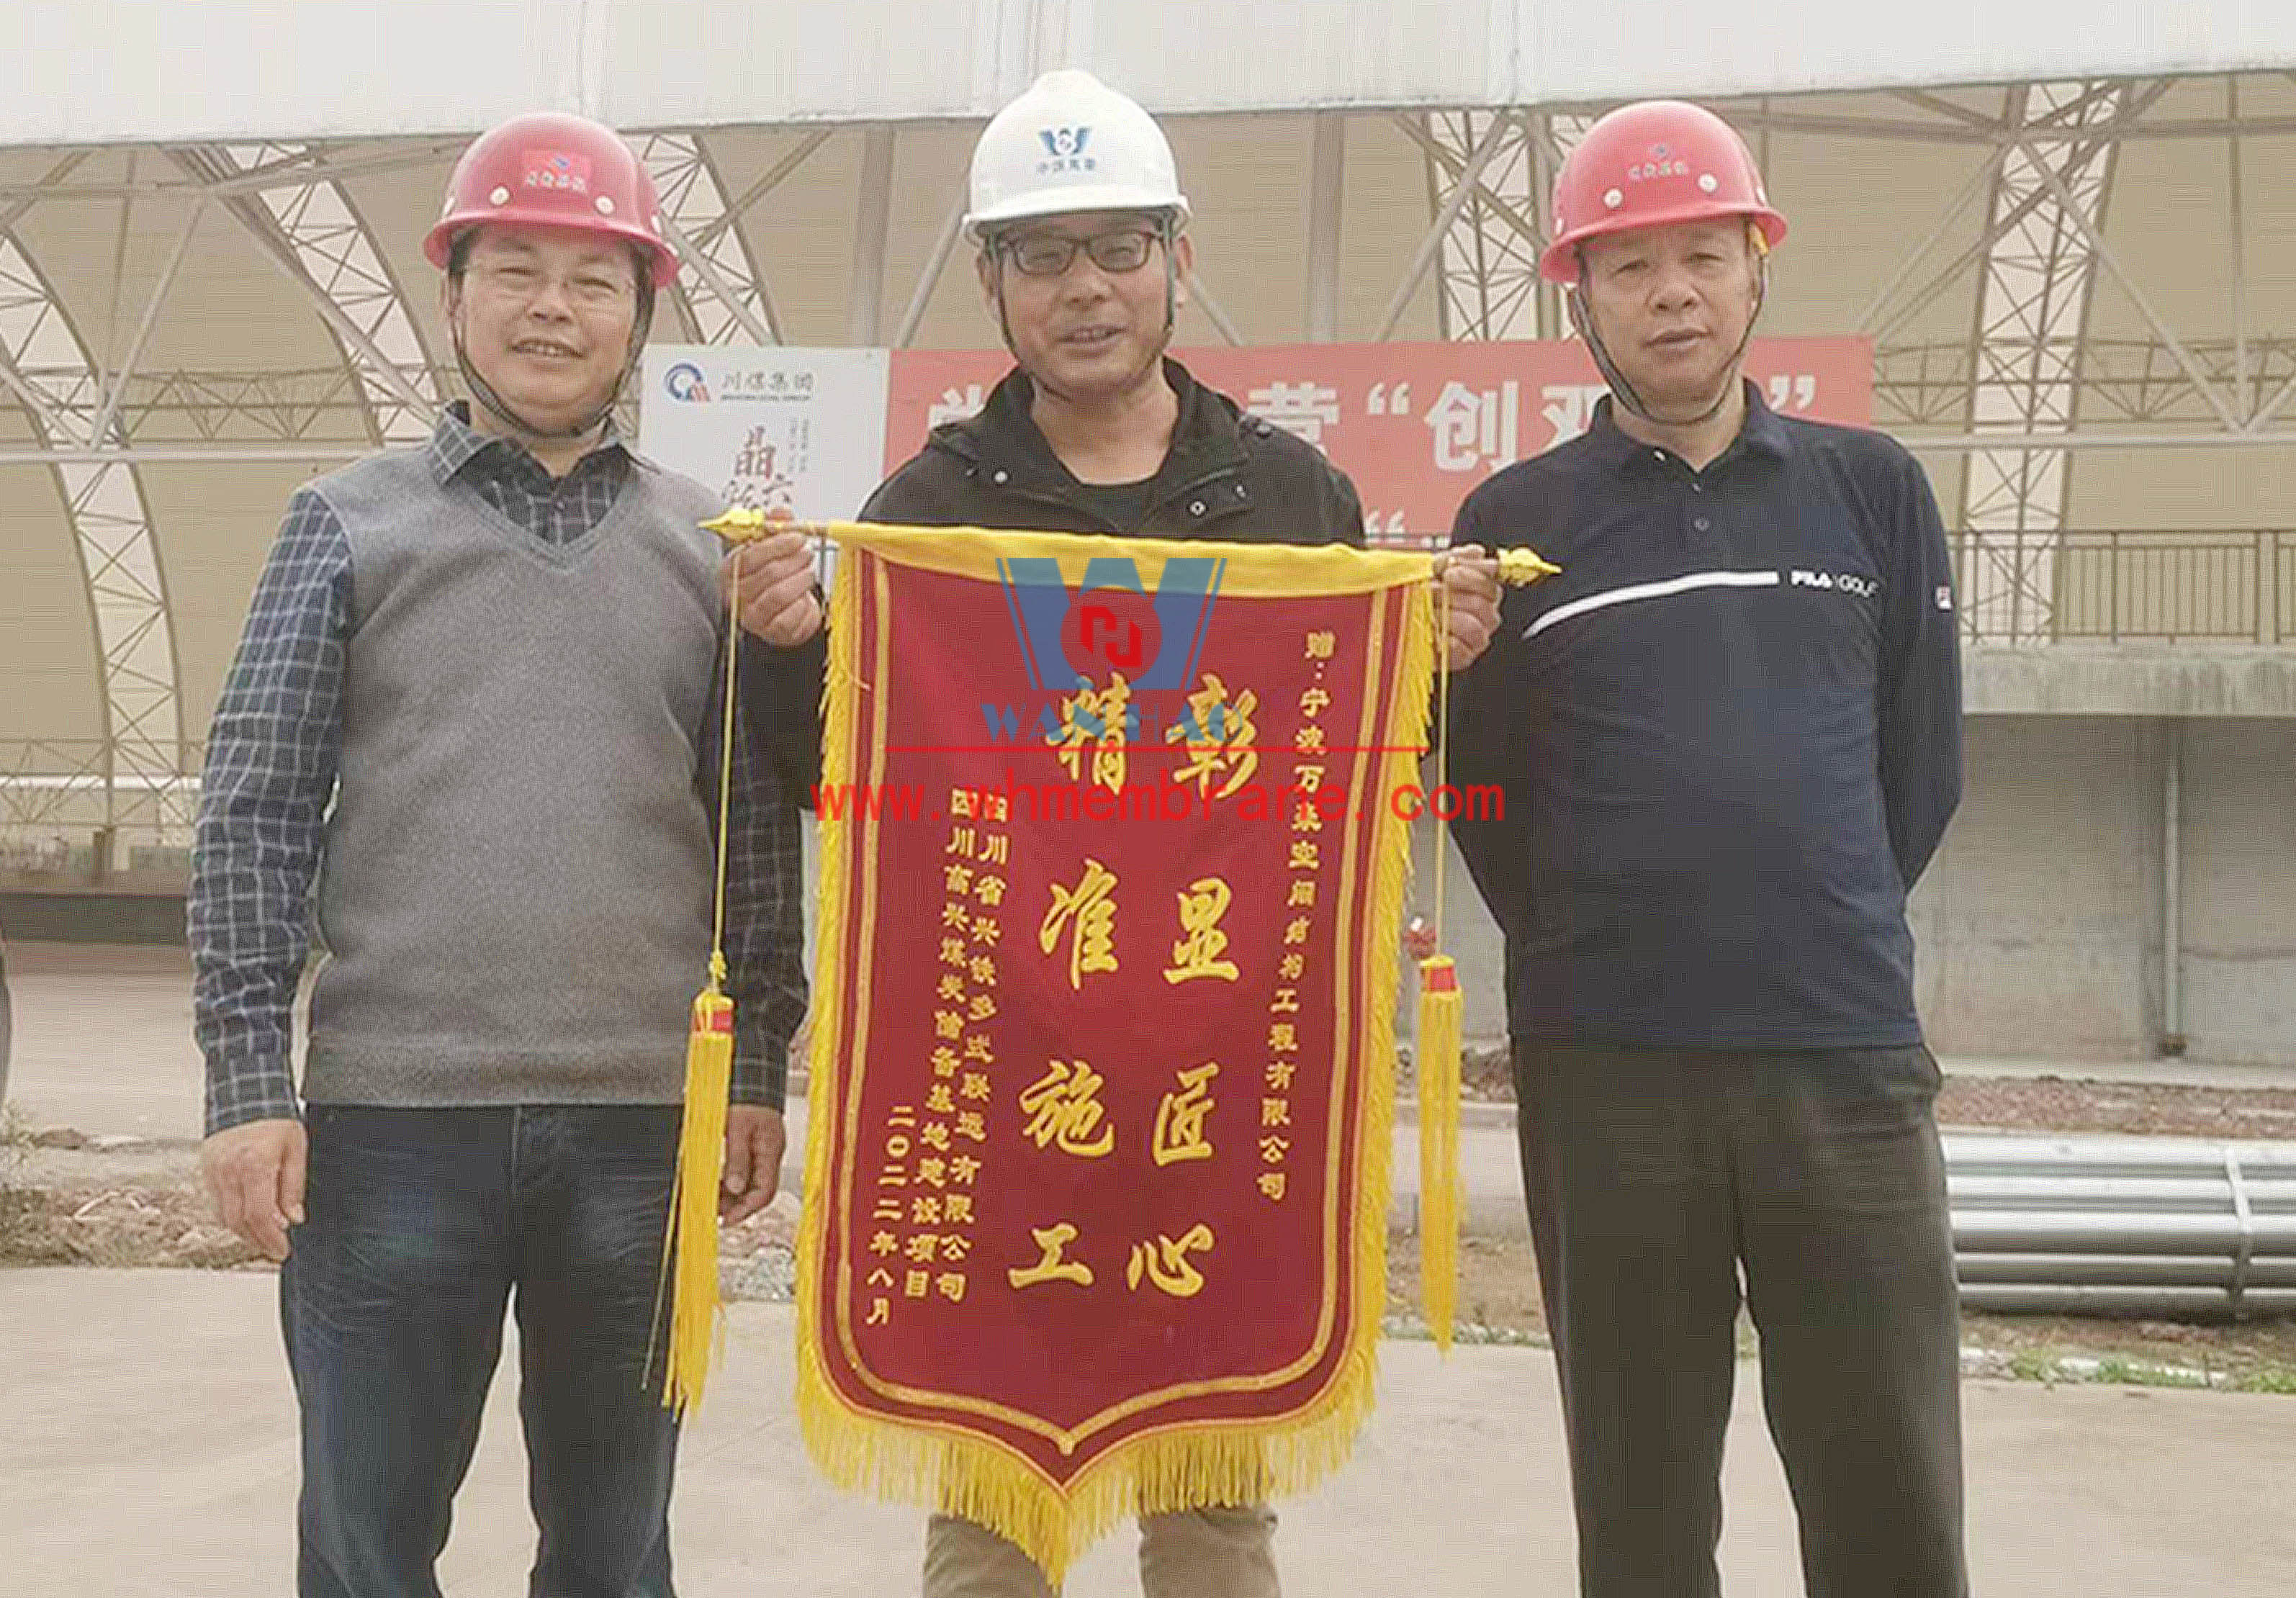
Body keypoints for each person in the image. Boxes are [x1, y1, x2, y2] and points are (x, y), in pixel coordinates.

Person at [731, 67, 1498, 1598]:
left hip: (1223, 1078)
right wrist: (793, 644)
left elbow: (1355, 783)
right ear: (992, 285)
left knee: (1214, 1495)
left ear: (1176, 261)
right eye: (1040, 254)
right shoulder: (930, 507)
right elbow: (838, 786)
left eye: (1115, 249)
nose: (1083, 289)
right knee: (989, 1486)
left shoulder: (1288, 500)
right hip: (1002, 1073)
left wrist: (1440, 669)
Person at [189, 111, 808, 1597]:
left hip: (638, 1126)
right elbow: (256, 808)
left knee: (612, 1544)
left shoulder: (707, 551)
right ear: (453, 295)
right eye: (514, 268)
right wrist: (247, 1084)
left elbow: (753, 824)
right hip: (392, 1126)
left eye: (591, 279)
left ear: (639, 313)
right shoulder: (344, 527)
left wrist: (762, 1060)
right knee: (367, 1540)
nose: (551, 307)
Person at [1444, 99, 1966, 1598]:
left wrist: (1811, 910)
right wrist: (1603, 946)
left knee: (1886, 1494)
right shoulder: (1513, 523)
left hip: (1840, 1063)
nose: (1668, 292)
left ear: (1754, 272)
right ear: (1580, 298)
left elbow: (1913, 769)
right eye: (1628, 267)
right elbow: (1482, 801)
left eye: (1699, 256)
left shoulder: (1866, 492)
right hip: (1607, 1074)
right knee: (1641, 1501)